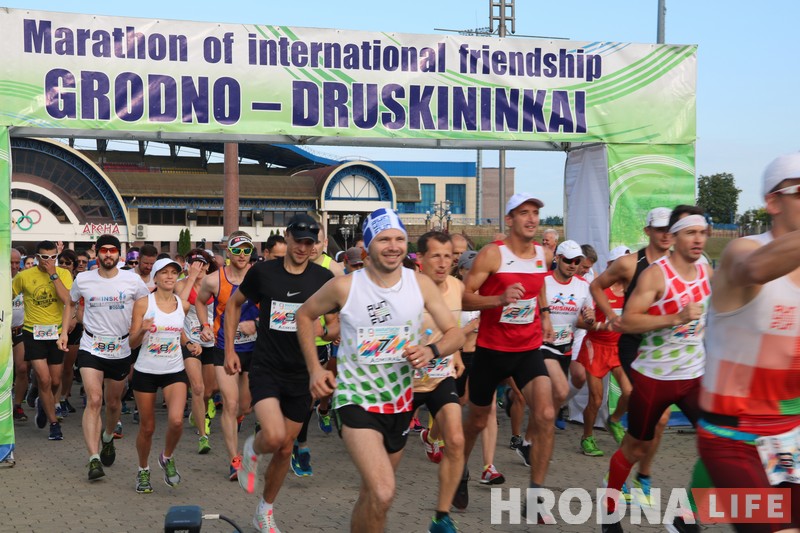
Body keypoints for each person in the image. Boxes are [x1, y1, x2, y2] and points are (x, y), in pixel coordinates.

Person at [296, 208, 465, 533]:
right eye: (384, 239)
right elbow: (304, 315)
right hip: (355, 400)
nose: (393, 246)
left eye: (399, 239)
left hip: (400, 403)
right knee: (384, 490)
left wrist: (431, 350)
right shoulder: (345, 286)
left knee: (373, 496)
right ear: (369, 245)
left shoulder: (420, 285)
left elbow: (455, 333)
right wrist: (315, 370)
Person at [698, 153, 800, 533]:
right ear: (773, 202)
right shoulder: (742, 251)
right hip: (732, 438)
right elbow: (755, 269)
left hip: (789, 437)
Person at [602, 206, 711, 533]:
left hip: (694, 376)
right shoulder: (655, 274)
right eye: (690, 233)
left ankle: (685, 517)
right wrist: (676, 317)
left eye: (702, 233)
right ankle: (609, 513)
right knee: (634, 448)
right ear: (674, 236)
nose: (698, 239)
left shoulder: (707, 270)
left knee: (720, 443)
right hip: (655, 377)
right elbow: (628, 321)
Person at [231, 214, 336, 532]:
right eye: (298, 240)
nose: (303, 247)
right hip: (267, 367)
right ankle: (251, 449)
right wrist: (229, 350)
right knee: (274, 436)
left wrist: (324, 331)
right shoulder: (263, 272)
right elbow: (234, 304)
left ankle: (264, 511)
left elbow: (335, 325)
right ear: (287, 237)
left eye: (309, 242)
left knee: (286, 447)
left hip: (303, 373)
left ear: (315, 244)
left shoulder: (323, 279)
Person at [459, 193, 555, 518]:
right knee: (476, 421)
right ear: (510, 219)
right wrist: (498, 299)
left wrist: (545, 314)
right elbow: (464, 297)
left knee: (545, 414)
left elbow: (539, 285)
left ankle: (536, 495)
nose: (531, 218)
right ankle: (460, 470)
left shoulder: (543, 254)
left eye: (535, 213)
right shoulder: (492, 254)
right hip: (491, 351)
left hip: (527, 350)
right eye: (523, 213)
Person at [589, 207, 673, 500]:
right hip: (634, 346)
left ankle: (642, 476)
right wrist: (612, 315)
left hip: (666, 346)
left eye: (670, 229)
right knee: (654, 417)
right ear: (648, 231)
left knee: (658, 420)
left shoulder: (680, 265)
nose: (665, 234)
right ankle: (626, 477)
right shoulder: (629, 263)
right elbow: (596, 285)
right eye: (660, 228)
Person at [58, 235, 150, 480]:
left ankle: (108, 436)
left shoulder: (132, 280)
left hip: (120, 348)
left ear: (119, 254)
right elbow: (70, 303)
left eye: (113, 251)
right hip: (91, 345)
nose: (108, 254)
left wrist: (138, 327)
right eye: (104, 250)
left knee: (113, 403)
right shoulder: (84, 279)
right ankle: (93, 458)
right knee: (95, 399)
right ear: (96, 253)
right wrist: (64, 332)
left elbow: (143, 302)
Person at [410, 231, 470, 528]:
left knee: (456, 440)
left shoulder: (457, 287)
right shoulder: (405, 290)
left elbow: (452, 327)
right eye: (436, 256)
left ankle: (441, 517)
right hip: (405, 382)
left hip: (440, 376)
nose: (444, 262)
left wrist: (455, 354)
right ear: (420, 259)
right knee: (389, 455)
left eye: (448, 256)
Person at [195, 232, 259, 481]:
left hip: (253, 349)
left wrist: (256, 323)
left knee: (245, 406)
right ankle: (235, 460)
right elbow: (200, 302)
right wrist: (205, 325)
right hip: (224, 347)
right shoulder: (214, 280)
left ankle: (238, 417)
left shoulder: (260, 277)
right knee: (230, 404)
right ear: (228, 252)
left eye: (246, 250)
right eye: (237, 250)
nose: (242, 255)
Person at [128, 258, 192, 493]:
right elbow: (132, 343)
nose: (169, 276)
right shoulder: (143, 304)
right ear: (155, 277)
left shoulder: (183, 305)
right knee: (147, 428)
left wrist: (190, 343)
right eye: (164, 272)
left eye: (174, 272)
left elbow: (178, 331)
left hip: (174, 370)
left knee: (176, 421)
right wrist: (142, 330)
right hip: (146, 371)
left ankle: (167, 457)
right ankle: (143, 470)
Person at [13, 240, 73, 441]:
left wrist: (53, 274)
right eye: (45, 257)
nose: (49, 260)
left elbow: (67, 300)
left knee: (55, 381)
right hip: (33, 333)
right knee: (44, 379)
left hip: (56, 334)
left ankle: (42, 401)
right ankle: (54, 424)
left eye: (53, 257)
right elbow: (8, 297)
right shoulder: (24, 276)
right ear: (37, 257)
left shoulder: (63, 274)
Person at [578, 246, 632, 457]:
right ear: (610, 265)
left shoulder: (632, 291)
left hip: (618, 349)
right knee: (596, 400)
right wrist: (601, 325)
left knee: (629, 392)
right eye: (620, 263)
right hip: (596, 347)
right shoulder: (598, 289)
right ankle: (587, 437)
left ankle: (614, 420)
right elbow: (583, 321)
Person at [541, 240, 594, 437]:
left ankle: (536, 436)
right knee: (547, 393)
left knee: (557, 394)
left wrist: (590, 318)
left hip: (565, 346)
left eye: (577, 261)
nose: (573, 265)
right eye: (568, 260)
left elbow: (588, 318)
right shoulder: (543, 281)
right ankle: (539, 435)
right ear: (557, 258)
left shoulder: (584, 286)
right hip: (541, 345)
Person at [175, 248, 218, 454]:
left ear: (208, 266)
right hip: (189, 341)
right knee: (198, 388)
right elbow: (178, 310)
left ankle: (198, 412)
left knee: (210, 390)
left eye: (201, 264)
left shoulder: (215, 283)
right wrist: (190, 278)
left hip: (212, 341)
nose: (198, 267)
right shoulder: (181, 285)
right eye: (193, 263)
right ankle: (203, 437)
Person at [11, 248, 28, 423]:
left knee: (22, 368)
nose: (14, 266)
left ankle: (17, 405)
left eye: (17, 262)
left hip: (20, 330)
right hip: (3, 332)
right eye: (11, 262)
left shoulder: (24, 278)